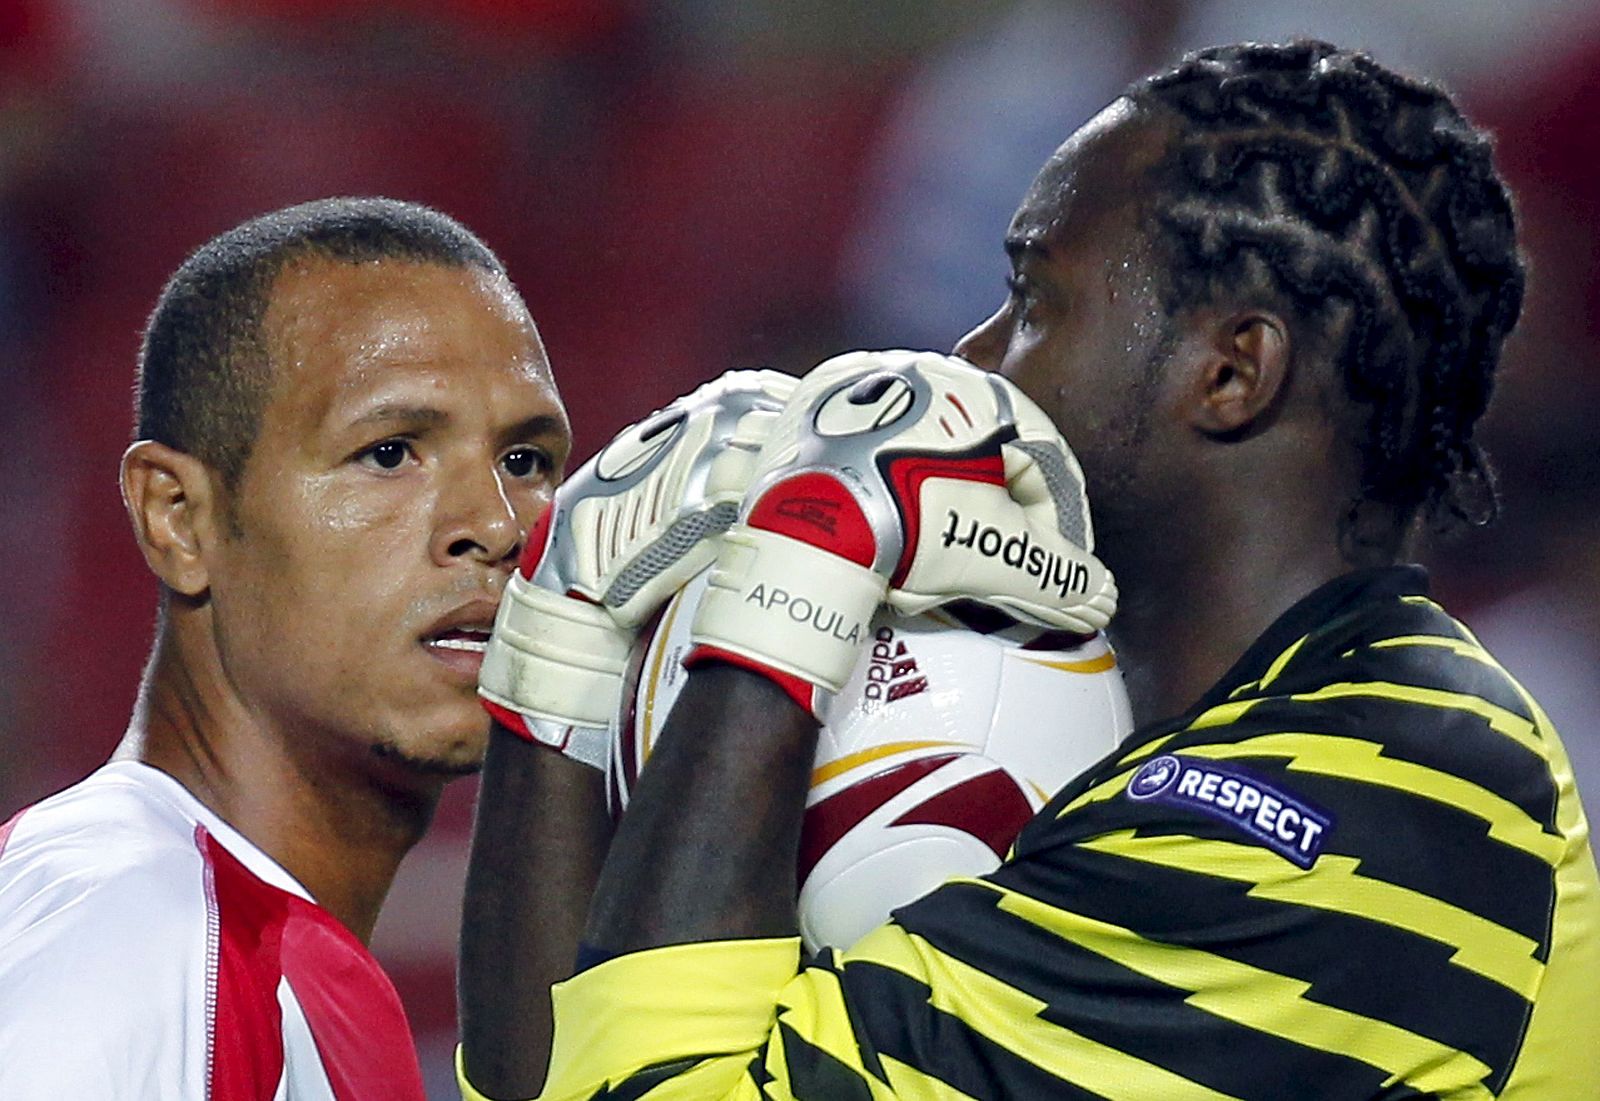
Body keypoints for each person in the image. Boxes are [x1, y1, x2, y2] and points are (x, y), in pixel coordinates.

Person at [458, 41, 1600, 1100]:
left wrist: (796, 577)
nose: (975, 358)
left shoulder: (1378, 796)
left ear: (1230, 373)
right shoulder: (1145, 746)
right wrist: (563, 647)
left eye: (1035, 302)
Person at [0, 197, 571, 1098]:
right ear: (178, 517)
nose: (496, 526)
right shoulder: (132, 937)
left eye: (526, 461)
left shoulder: (250, 957)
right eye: (391, 452)